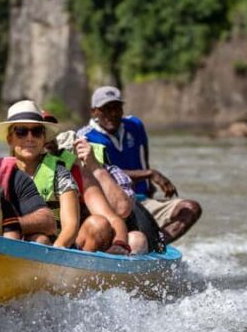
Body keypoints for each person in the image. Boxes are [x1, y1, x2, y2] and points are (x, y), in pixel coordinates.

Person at [0, 100, 124, 253]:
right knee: (39, 239)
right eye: (21, 131)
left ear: (43, 138)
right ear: (10, 139)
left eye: (36, 132)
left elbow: (71, 226)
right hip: (12, 240)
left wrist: (54, 253)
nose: (30, 138)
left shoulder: (60, 172)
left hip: (58, 246)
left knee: (95, 225)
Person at [78, 86, 202, 243]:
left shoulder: (134, 125)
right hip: (113, 204)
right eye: (106, 109)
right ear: (94, 111)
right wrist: (149, 174)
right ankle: (146, 241)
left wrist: (148, 183)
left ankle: (158, 243)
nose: (113, 113)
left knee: (190, 208)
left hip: (143, 200)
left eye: (117, 107)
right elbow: (100, 172)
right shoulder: (85, 138)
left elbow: (143, 155)